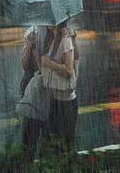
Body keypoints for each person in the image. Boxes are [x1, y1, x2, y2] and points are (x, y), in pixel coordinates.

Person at [21, 24, 79, 163]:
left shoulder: (63, 37)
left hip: (55, 97)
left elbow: (72, 64)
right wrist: (30, 45)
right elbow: (25, 65)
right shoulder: (35, 33)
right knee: (33, 139)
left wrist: (74, 36)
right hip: (37, 96)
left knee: (57, 143)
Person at [40, 20, 79, 163]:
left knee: (67, 147)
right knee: (53, 145)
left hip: (66, 104)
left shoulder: (65, 40)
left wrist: (48, 63)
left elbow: (69, 71)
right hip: (54, 101)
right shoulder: (52, 40)